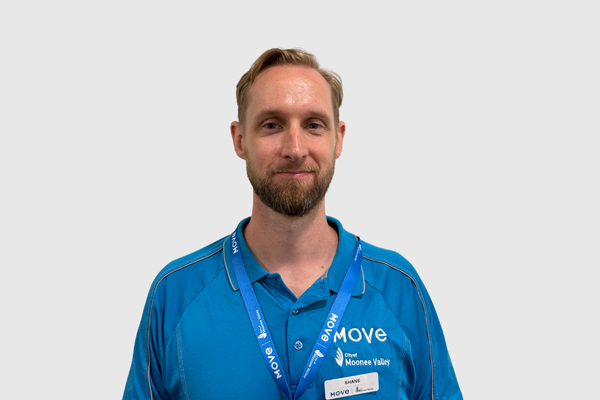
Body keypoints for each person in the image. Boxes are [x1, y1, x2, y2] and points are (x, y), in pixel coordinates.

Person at [123, 48, 462, 400]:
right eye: (272, 125)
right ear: (240, 140)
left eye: (313, 125)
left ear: (338, 139)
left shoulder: (399, 289)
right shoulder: (176, 293)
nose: (295, 148)